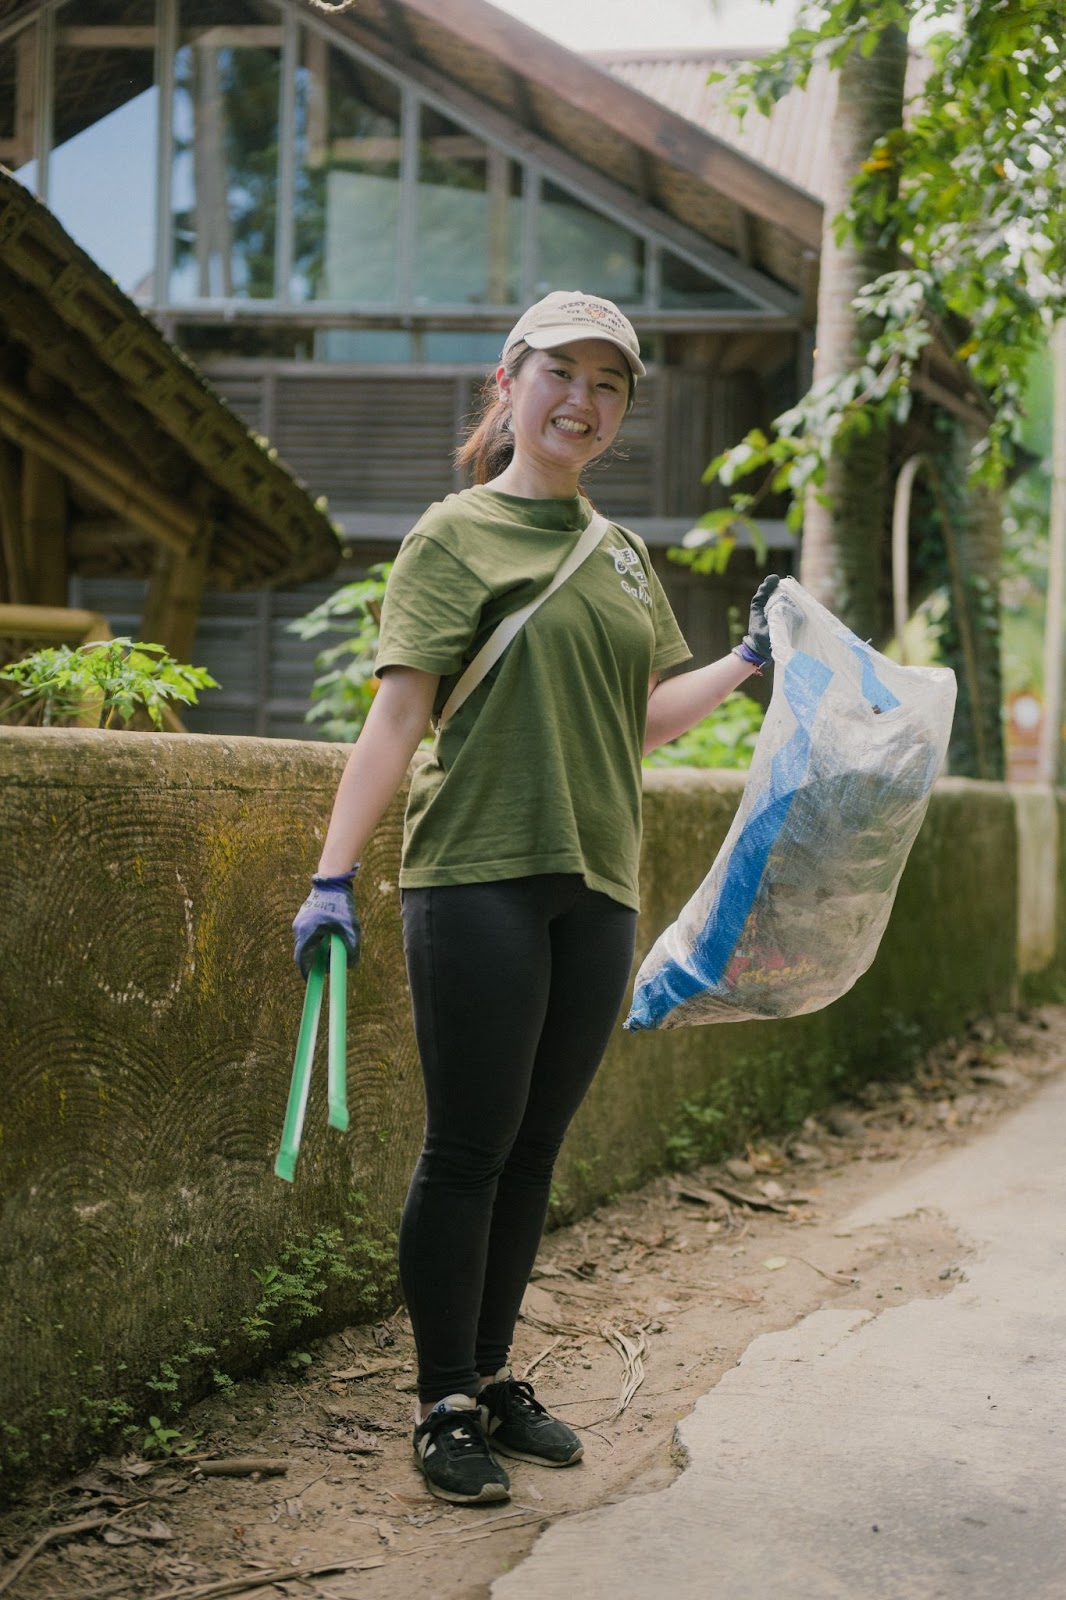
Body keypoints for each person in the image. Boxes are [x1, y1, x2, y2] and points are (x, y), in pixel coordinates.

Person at [292, 289, 779, 1506]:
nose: (584, 399)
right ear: (507, 384)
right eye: (561, 370)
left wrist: (750, 660)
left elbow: (645, 715)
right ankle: (442, 1398)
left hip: (595, 884)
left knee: (534, 1149)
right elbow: (399, 710)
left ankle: (495, 1374)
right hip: (477, 875)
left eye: (609, 382)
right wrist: (331, 872)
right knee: (466, 1147)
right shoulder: (452, 535)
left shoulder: (618, 553)